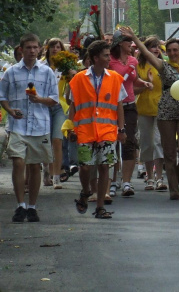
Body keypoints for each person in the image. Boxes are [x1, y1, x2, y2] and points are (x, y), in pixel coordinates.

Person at [121, 27, 179, 200]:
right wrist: (134, 38)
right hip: (165, 113)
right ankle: (173, 188)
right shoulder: (163, 66)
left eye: (176, 50)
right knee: (168, 152)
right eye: (169, 50)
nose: (173, 53)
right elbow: (146, 53)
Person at [1, 34, 59, 223]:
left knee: (35, 166)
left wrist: (39, 99)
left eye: (35, 47)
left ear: (40, 49)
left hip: (40, 126)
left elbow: (54, 99)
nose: (32, 51)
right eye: (28, 48)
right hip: (18, 125)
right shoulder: (11, 72)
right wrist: (10, 110)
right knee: (18, 162)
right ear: (21, 49)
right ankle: (20, 205)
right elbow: (2, 96)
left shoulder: (47, 72)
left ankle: (32, 206)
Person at [69, 40, 126, 219]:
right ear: (95, 58)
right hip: (85, 130)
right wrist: (70, 127)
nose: (109, 58)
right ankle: (86, 191)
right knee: (85, 167)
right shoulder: (79, 79)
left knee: (104, 167)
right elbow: (73, 105)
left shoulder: (115, 78)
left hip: (107, 130)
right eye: (106, 55)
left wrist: (121, 129)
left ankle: (100, 206)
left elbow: (119, 106)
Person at [109, 31, 153, 197]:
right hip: (111, 107)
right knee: (112, 144)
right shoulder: (110, 61)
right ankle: (113, 181)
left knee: (128, 143)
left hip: (129, 106)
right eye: (129, 42)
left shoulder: (133, 61)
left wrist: (145, 82)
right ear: (120, 43)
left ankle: (126, 182)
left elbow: (133, 80)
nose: (132, 45)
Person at [135, 36, 166, 191]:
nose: (156, 49)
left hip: (161, 109)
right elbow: (132, 90)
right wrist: (146, 84)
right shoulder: (138, 66)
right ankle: (149, 177)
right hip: (144, 109)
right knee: (146, 143)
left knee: (158, 142)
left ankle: (160, 177)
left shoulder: (162, 65)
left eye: (158, 46)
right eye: (152, 47)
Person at [41, 38, 68, 189]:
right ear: (48, 48)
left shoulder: (65, 65)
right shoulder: (41, 65)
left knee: (57, 140)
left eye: (58, 46)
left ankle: (56, 177)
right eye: (52, 46)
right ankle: (47, 171)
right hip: (44, 105)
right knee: (46, 141)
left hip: (59, 105)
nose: (55, 49)